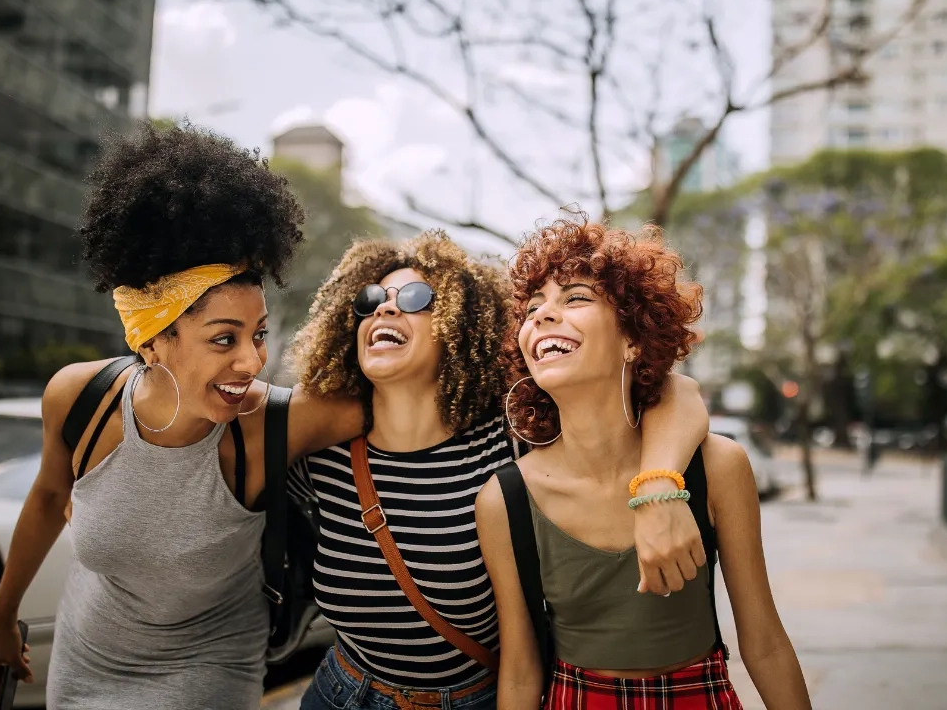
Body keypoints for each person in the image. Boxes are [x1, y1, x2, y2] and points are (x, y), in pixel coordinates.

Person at [0, 123, 364, 710]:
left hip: (210, 669)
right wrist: (2, 618)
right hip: (83, 661)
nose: (252, 361)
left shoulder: (273, 424)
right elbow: (47, 498)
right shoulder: (80, 399)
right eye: (223, 338)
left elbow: (403, 399)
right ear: (155, 341)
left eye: (259, 334)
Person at [286, 231, 713, 710]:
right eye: (370, 300)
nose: (385, 308)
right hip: (342, 694)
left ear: (459, 323)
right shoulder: (324, 456)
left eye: (414, 297)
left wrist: (658, 487)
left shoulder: (513, 440)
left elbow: (679, 392)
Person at [475, 219, 811, 709]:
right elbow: (521, 673)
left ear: (633, 339)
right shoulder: (503, 500)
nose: (543, 314)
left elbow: (765, 644)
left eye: (575, 298)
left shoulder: (717, 467)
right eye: (533, 308)